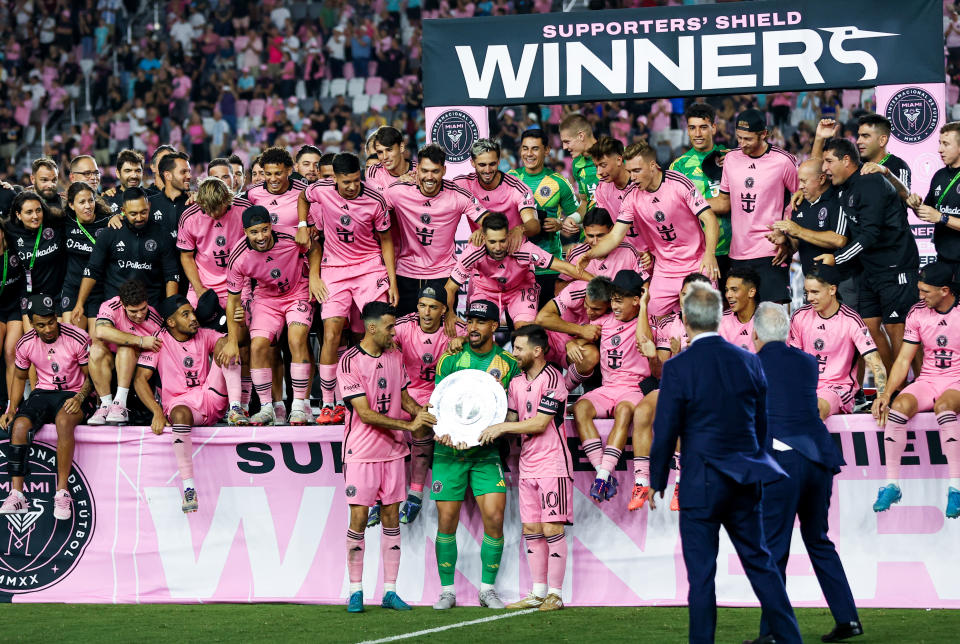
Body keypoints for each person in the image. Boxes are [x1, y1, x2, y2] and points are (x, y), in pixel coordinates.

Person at [648, 282, 801, 644]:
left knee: (701, 577)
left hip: (701, 484)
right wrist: (759, 467)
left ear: (685, 320)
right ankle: (791, 640)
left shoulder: (678, 368)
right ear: (719, 318)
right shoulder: (749, 360)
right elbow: (763, 422)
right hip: (746, 479)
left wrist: (656, 478)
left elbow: (666, 428)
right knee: (762, 566)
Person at [750, 302, 862, 644]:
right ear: (786, 332)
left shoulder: (748, 363)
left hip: (782, 462)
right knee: (818, 539)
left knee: (773, 549)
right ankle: (848, 619)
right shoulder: (806, 361)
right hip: (818, 458)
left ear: (754, 334)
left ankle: (771, 632)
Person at [337, 301, 436, 613]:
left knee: (392, 520)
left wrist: (426, 418)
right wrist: (409, 425)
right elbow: (365, 414)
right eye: (391, 327)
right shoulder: (349, 361)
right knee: (358, 520)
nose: (395, 333)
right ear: (372, 328)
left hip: (393, 454)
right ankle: (355, 591)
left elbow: (404, 397)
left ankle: (390, 591)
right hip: (361, 454)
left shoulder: (395, 356)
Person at [431, 299, 520, 611]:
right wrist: (441, 429)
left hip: (486, 453)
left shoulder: (509, 364)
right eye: (469, 321)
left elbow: (513, 406)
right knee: (446, 520)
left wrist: (506, 425)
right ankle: (447, 591)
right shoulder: (451, 359)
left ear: (494, 327)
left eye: (480, 322)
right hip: (448, 451)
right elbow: (439, 402)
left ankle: (487, 590)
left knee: (495, 518)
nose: (472, 328)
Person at [299, 152, 397, 425]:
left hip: (369, 268)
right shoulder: (321, 190)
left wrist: (392, 281)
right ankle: (330, 403)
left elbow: (386, 241)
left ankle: (379, 395)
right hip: (335, 269)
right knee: (331, 333)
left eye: (356, 180)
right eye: (346, 182)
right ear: (336, 181)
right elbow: (303, 197)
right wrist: (302, 225)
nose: (352, 187)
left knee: (376, 331)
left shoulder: (375, 200)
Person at [479, 325, 571, 612]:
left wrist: (503, 426)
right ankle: (538, 592)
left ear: (537, 350)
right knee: (531, 529)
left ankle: (555, 594)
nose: (513, 353)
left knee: (551, 527)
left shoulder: (554, 378)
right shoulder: (516, 383)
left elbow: (539, 423)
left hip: (552, 464)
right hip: (527, 465)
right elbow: (512, 418)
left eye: (518, 348)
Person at [818, 137, 920, 373]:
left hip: (896, 266)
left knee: (899, 330)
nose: (825, 168)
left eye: (829, 161)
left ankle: (917, 388)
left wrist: (838, 258)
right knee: (869, 327)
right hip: (870, 269)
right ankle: (893, 386)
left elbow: (870, 235)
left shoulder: (871, 183)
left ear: (846, 160)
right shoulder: (844, 189)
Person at [583, 141, 720, 317]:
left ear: (652, 165)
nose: (632, 177)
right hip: (665, 269)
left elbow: (709, 219)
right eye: (630, 171)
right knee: (649, 318)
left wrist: (710, 254)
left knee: (705, 318)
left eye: (637, 171)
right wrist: (590, 255)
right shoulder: (632, 195)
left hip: (697, 264)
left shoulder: (678, 182)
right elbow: (615, 235)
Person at [133, 295, 241, 513]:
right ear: (171, 322)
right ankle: (189, 488)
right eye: (186, 314)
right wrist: (156, 411)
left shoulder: (203, 334)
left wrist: (228, 339)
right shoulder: (158, 340)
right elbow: (139, 380)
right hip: (182, 405)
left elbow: (222, 341)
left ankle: (237, 410)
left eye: (192, 312)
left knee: (229, 348)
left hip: (211, 397)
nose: (194, 318)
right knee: (180, 414)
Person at [871, 262, 960, 518]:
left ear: (945, 290)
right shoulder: (917, 312)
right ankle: (892, 485)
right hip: (929, 379)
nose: (920, 296)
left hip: (956, 380)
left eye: (926, 292)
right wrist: (886, 394)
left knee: (944, 407)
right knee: (898, 408)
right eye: (919, 290)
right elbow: (903, 360)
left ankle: (956, 488)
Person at [0, 294, 94, 520]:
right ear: (32, 324)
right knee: (20, 426)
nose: (48, 328)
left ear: (56, 318)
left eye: (51, 322)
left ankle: (62, 492)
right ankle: (17, 495)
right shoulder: (25, 343)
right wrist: (11, 408)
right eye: (41, 325)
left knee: (63, 421)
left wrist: (80, 398)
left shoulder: (77, 337)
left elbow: (92, 378)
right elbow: (20, 377)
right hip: (43, 392)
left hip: (75, 392)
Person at [223, 206, 313, 425]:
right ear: (245, 232)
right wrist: (233, 341)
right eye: (254, 232)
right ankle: (266, 408)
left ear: (271, 226)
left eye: (264, 230)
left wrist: (316, 276)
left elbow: (315, 248)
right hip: (266, 297)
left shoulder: (290, 236)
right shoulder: (238, 256)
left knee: (296, 338)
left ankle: (299, 406)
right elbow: (232, 301)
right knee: (258, 346)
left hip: (297, 291)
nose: (261, 237)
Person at [572, 270, 655, 504]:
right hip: (607, 389)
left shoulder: (647, 323)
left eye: (620, 300)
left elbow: (644, 340)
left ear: (636, 300)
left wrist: (644, 307)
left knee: (626, 411)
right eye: (613, 300)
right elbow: (579, 339)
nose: (615, 306)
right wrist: (572, 344)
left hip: (632, 389)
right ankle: (603, 475)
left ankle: (603, 475)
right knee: (581, 408)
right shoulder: (603, 323)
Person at [709, 109, 798, 304]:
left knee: (772, 318)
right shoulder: (731, 158)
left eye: (748, 139)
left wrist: (788, 235)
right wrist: (690, 203)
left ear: (764, 134)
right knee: (741, 319)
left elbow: (801, 198)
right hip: (738, 252)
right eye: (739, 138)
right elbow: (724, 202)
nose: (742, 144)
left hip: (771, 251)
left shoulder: (783, 161)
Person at [391, 286, 465, 524]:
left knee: (423, 425)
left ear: (444, 310)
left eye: (433, 307)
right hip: (408, 392)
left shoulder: (455, 329)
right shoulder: (404, 325)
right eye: (422, 305)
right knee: (385, 429)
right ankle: (384, 498)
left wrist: (463, 340)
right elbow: (377, 340)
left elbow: (483, 339)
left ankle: (415, 494)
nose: (426, 312)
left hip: (441, 395)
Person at [384, 144, 485, 316]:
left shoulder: (458, 195)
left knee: (446, 334)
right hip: (406, 274)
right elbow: (371, 215)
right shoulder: (397, 191)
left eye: (435, 171)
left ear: (444, 170)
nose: (429, 177)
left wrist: (482, 229)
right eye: (424, 170)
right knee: (402, 334)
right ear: (417, 170)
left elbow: (489, 220)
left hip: (443, 275)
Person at [445, 212, 589, 331]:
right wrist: (449, 313)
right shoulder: (473, 251)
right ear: (484, 238)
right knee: (478, 331)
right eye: (492, 242)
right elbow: (450, 287)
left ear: (508, 236)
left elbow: (563, 267)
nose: (498, 247)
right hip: (485, 290)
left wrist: (597, 281)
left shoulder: (522, 247)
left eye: (502, 241)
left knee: (524, 331)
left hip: (520, 289)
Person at [789, 265, 887, 420]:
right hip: (805, 387)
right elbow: (792, 361)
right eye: (807, 292)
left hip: (837, 389)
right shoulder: (799, 316)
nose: (809, 298)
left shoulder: (852, 320)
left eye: (815, 292)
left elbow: (876, 363)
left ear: (832, 290)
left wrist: (883, 397)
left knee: (813, 408)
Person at [71, 187, 180, 323]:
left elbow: (171, 276)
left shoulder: (162, 234)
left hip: (150, 308)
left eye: (143, 212)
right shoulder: (110, 233)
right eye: (133, 214)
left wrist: (170, 310)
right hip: (115, 306)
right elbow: (92, 271)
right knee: (99, 341)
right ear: (123, 211)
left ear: (149, 206)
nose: (139, 218)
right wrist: (80, 303)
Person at [509, 128, 581, 307]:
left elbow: (579, 213)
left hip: (549, 267)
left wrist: (562, 223)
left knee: (549, 327)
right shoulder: (510, 179)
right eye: (525, 148)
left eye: (535, 148)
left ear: (547, 150)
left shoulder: (559, 182)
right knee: (519, 327)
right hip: (517, 266)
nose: (529, 154)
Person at [87, 279, 164, 425]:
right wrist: (140, 340)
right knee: (96, 349)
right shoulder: (112, 306)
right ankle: (106, 405)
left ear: (147, 301)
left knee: (126, 347)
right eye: (133, 311)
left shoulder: (155, 319)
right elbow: (101, 331)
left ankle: (120, 405)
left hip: (136, 373)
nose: (140, 315)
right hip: (109, 370)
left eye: (143, 309)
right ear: (123, 305)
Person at [670, 102, 732, 278]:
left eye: (703, 127)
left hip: (734, 248)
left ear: (714, 128)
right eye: (692, 128)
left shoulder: (730, 157)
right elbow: (675, 208)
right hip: (698, 251)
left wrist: (693, 205)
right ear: (687, 130)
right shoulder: (679, 166)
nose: (697, 134)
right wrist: (719, 203)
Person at [769, 159, 848, 277]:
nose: (800, 186)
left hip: (840, 281)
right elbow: (796, 243)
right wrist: (786, 240)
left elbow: (839, 240)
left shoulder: (838, 198)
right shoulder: (799, 203)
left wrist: (799, 231)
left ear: (821, 179)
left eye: (803, 181)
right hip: (810, 280)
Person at [454, 138, 539, 244]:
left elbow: (533, 224)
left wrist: (520, 229)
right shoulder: (462, 184)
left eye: (492, 164)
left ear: (499, 161)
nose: (487, 170)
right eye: (482, 165)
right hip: (482, 251)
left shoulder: (516, 188)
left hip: (515, 250)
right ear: (473, 163)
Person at [535, 276, 613, 389]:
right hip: (548, 339)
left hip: (571, 350)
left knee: (591, 356)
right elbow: (542, 319)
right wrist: (580, 330)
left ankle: (562, 391)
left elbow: (592, 337)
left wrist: (571, 343)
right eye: (587, 304)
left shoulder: (613, 311)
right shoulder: (576, 290)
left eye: (596, 309)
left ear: (609, 305)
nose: (589, 312)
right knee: (527, 330)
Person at [908, 121, 960, 279]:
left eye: (946, 144)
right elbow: (928, 212)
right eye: (939, 143)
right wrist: (916, 205)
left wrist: (941, 218)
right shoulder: (939, 175)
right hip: (943, 260)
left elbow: (938, 216)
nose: (939, 150)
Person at [561, 208, 644, 284]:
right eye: (590, 236)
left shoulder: (628, 251)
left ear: (611, 230)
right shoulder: (576, 254)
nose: (595, 241)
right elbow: (560, 286)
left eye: (600, 235)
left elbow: (644, 282)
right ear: (585, 232)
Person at [243, 146, 308, 235]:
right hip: (264, 246)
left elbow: (314, 227)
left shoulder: (305, 192)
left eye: (278, 173)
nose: (273, 179)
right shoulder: (252, 192)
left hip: (294, 247)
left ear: (289, 171)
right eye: (268, 174)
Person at [856, 113, 911, 199]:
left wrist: (886, 172)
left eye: (865, 136)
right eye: (859, 136)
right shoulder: (856, 164)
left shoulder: (899, 165)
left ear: (882, 140)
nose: (858, 141)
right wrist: (826, 139)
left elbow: (907, 197)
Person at [149, 151, 191, 241]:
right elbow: (125, 213)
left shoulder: (195, 202)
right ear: (168, 175)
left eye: (189, 171)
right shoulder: (149, 203)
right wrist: (115, 216)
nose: (189, 176)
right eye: (183, 172)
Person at [559, 113, 598, 209]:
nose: (564, 147)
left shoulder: (618, 154)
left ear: (581, 136)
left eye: (567, 142)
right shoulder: (576, 164)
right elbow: (584, 203)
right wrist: (573, 219)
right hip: (592, 223)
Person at [720, 267, 761, 352]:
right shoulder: (721, 320)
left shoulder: (768, 318)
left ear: (751, 292)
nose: (728, 295)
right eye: (727, 290)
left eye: (734, 290)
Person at [367, 126, 416, 192]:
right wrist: (398, 184)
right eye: (380, 152)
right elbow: (379, 200)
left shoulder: (420, 170)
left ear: (401, 147)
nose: (385, 157)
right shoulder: (374, 171)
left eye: (389, 150)